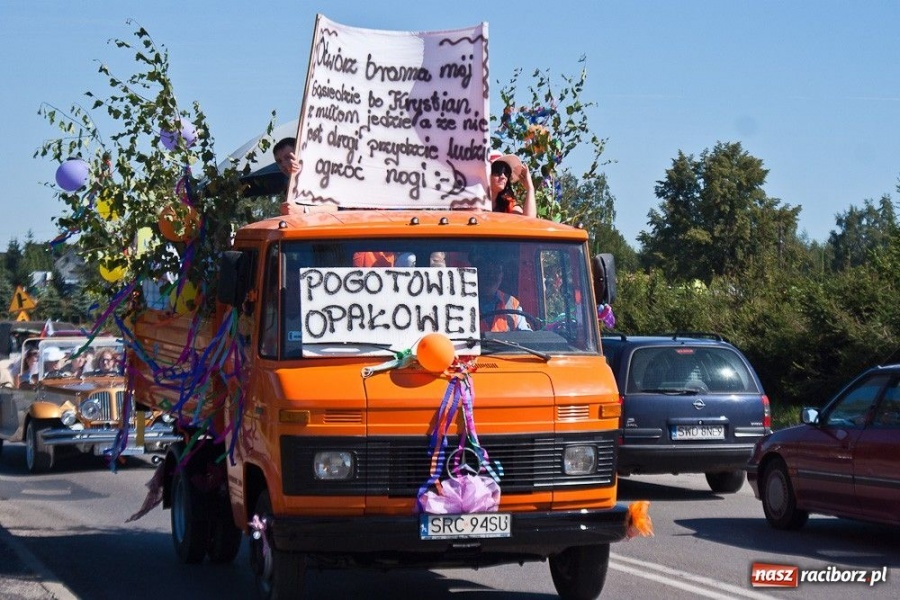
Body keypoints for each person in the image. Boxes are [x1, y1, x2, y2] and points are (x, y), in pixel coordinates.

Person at [472, 256, 531, 332]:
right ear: (476, 275)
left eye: (496, 272)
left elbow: (526, 334)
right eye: (486, 272)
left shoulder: (512, 303)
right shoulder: (464, 301)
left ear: (502, 275)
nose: (491, 276)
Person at [488, 152, 536, 217]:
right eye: (497, 171)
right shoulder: (473, 201)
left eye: (506, 172)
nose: (503, 176)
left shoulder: (508, 205)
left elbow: (529, 220)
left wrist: (530, 188)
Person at [274, 137, 302, 215]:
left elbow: (333, 207)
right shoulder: (288, 189)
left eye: (288, 157)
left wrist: (304, 210)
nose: (283, 164)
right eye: (279, 161)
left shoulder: (320, 177)